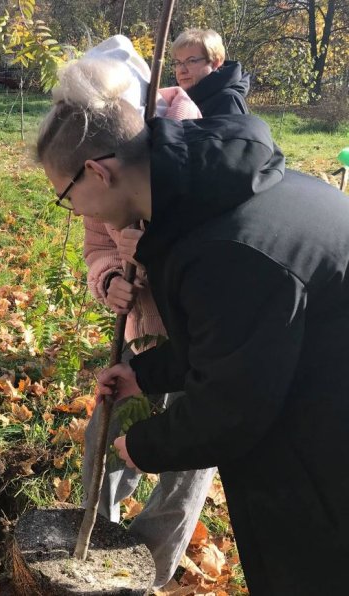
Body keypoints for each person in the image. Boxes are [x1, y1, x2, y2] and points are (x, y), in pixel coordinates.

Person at [37, 54, 349, 594]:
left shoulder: (224, 248)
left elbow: (232, 406)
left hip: (323, 451)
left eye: (66, 197)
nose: (71, 211)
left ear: (97, 172)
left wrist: (145, 445)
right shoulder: (215, 194)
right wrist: (148, 375)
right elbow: (233, 340)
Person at [76, 35, 216, 589]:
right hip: (143, 327)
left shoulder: (184, 129)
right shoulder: (87, 150)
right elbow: (96, 240)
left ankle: (149, 568)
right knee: (107, 431)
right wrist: (108, 276)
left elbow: (212, 234)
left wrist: (152, 245)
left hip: (203, 327)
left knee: (187, 455)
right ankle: (96, 538)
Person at [170, 28, 249, 116]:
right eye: (178, 62)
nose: (181, 70)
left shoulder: (227, 100)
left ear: (215, 63)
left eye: (191, 61)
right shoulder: (173, 99)